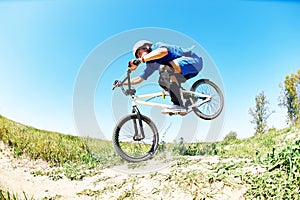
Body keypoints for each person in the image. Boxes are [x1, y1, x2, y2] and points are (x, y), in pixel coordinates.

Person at [123, 40, 203, 114]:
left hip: (194, 62)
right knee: (162, 81)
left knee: (165, 68)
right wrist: (123, 83)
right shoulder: (151, 64)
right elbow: (140, 79)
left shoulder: (157, 47)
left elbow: (163, 52)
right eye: (138, 56)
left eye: (140, 53)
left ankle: (178, 104)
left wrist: (141, 60)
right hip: (183, 72)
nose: (139, 56)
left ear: (146, 47)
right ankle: (189, 96)